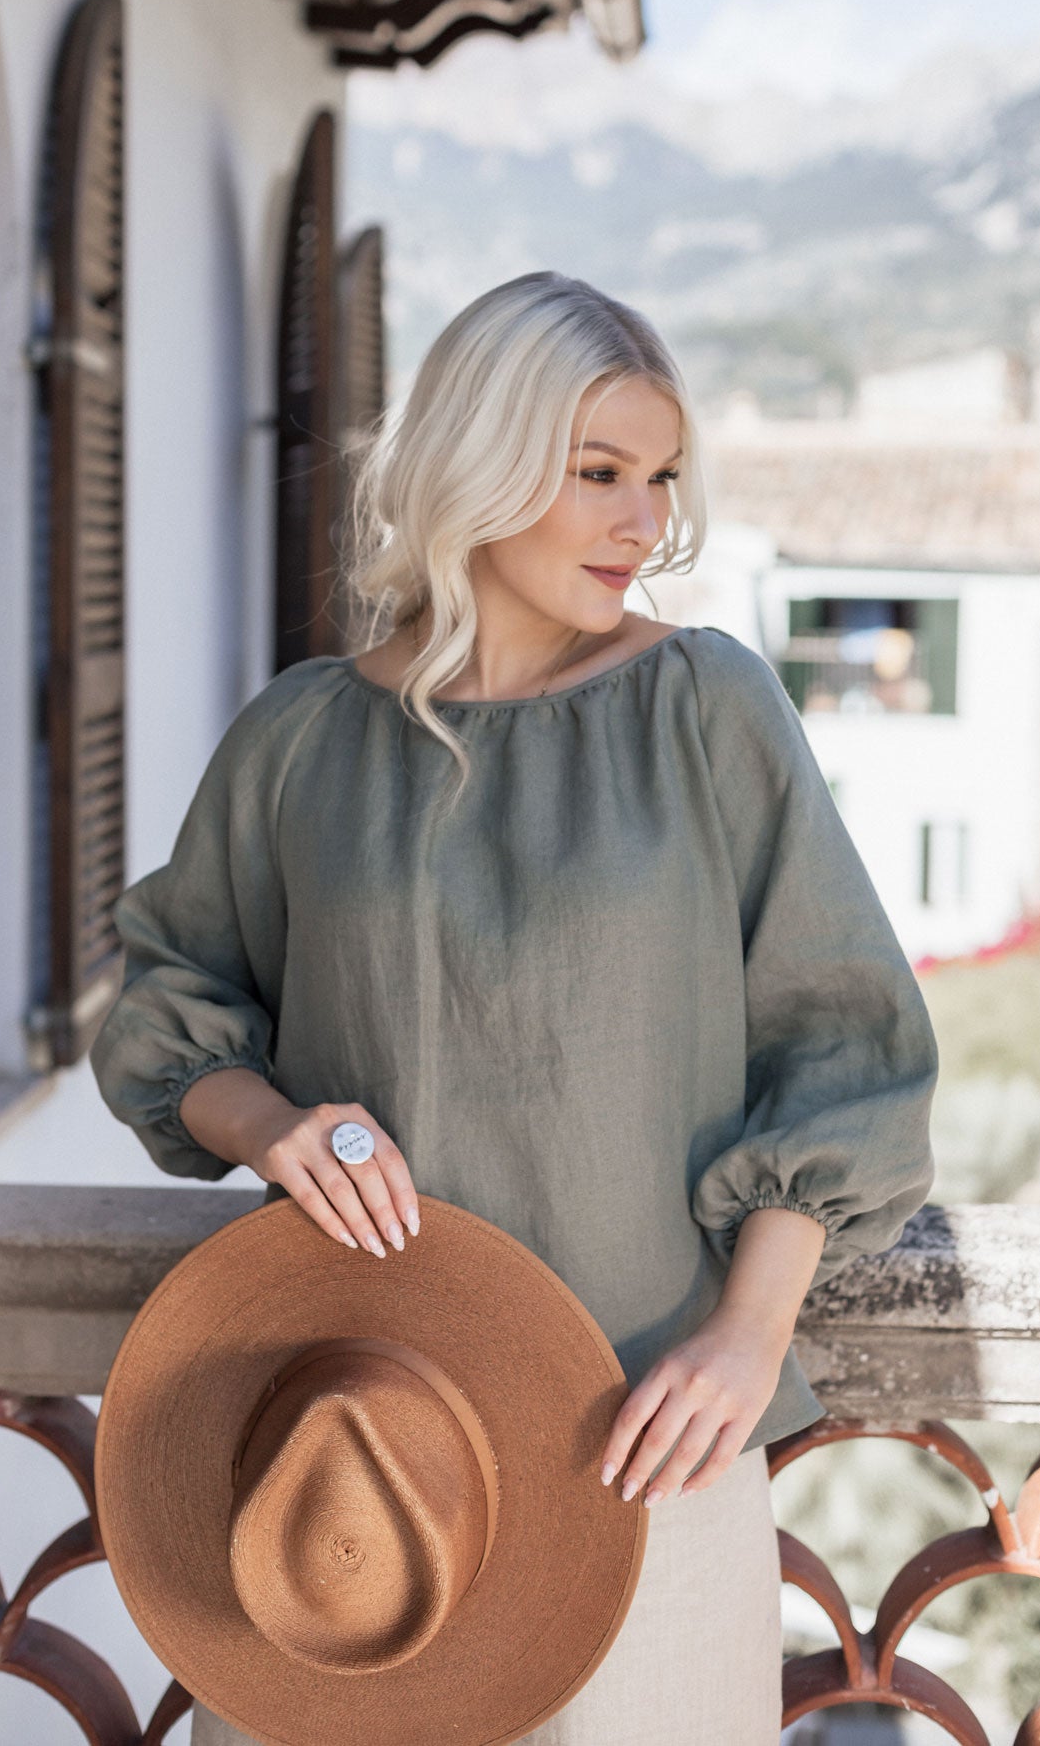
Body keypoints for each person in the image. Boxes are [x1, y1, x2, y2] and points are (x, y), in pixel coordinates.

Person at [90, 272, 938, 1745]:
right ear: (478, 464)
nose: (643, 521)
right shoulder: (302, 739)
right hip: (350, 1470)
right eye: (598, 472)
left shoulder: (705, 708)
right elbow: (172, 1003)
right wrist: (275, 1127)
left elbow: (841, 1042)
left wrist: (750, 1330)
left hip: (647, 1446)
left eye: (660, 477)